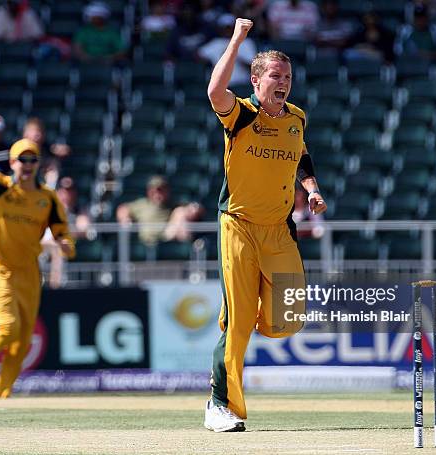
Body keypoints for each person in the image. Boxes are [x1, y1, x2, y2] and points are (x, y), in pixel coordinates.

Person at [204, 18, 327, 432]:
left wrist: (310, 188)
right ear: (256, 81)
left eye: (287, 77)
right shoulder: (241, 114)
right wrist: (237, 39)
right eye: (275, 76)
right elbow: (214, 91)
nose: (283, 83)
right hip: (237, 225)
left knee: (288, 316)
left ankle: (236, 312)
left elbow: (301, 155)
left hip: (278, 228)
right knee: (238, 325)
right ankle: (221, 405)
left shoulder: (296, 118)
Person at [0, 111, 75, 399]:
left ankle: (1, 398)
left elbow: (61, 229)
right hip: (1, 269)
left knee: (22, 342)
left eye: (32, 159)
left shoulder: (46, 198)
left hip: (31, 274)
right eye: (21, 159)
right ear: (11, 162)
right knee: (8, 326)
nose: (26, 164)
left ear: (38, 164)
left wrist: (66, 244)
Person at [116, 175, 204, 246]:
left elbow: (197, 208)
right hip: (148, 241)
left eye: (161, 190)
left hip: (167, 239)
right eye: (154, 190)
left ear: (167, 191)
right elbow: (123, 208)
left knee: (180, 212)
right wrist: (125, 219)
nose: (157, 193)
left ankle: (189, 250)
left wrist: (193, 210)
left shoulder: (173, 204)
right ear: (149, 191)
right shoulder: (142, 204)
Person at [197, 14, 257, 87]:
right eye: (225, 28)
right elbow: (198, 55)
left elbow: (254, 66)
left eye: (229, 28)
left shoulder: (246, 42)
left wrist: (237, 57)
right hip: (221, 86)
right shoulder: (215, 43)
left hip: (242, 84)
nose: (227, 30)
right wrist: (208, 62)